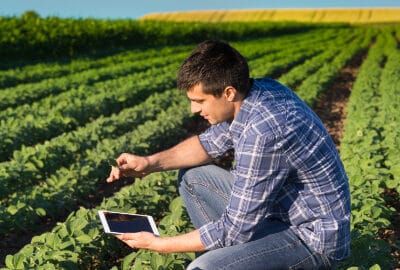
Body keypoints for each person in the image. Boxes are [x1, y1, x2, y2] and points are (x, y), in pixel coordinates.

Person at [106, 40, 351, 269]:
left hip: (310, 238)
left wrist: (159, 244)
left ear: (229, 92)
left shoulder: (264, 131)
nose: (194, 109)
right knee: (194, 178)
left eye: (199, 100)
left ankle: (225, 260)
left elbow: (236, 230)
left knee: (202, 268)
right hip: (277, 213)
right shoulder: (258, 92)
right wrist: (148, 163)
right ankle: (233, 259)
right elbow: (206, 145)